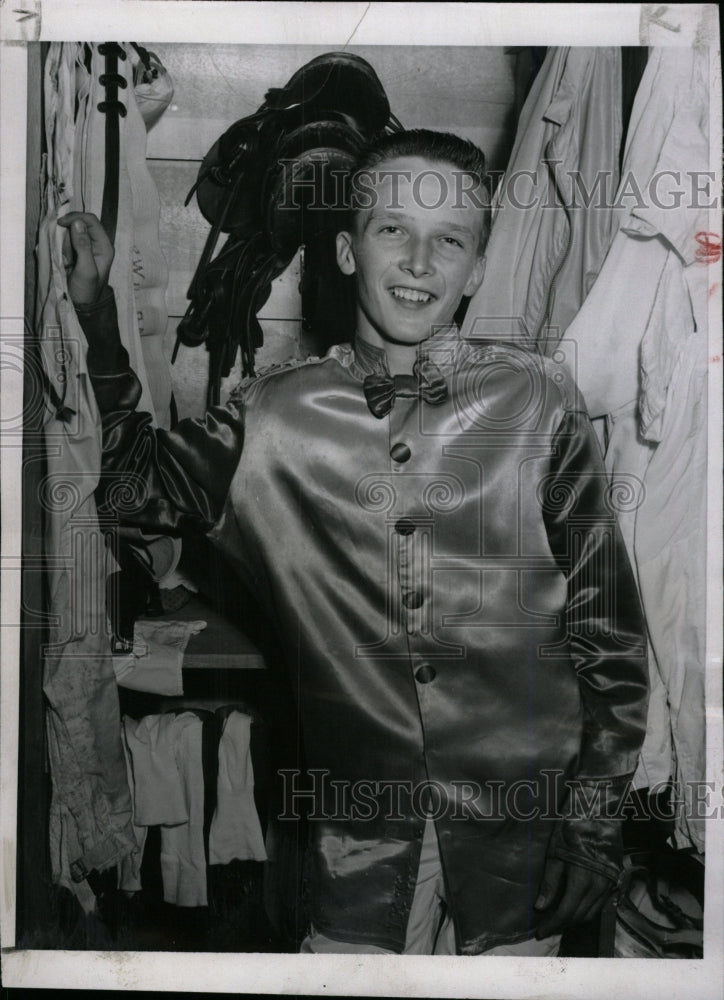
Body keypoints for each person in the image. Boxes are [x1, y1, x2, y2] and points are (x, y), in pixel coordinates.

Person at [59, 129, 648, 956]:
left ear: (477, 268)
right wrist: (94, 318)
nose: (418, 260)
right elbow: (127, 486)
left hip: (526, 845)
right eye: (391, 230)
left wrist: (592, 827)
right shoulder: (272, 413)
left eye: (449, 240)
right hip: (355, 852)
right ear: (345, 250)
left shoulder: (539, 399)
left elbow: (610, 633)